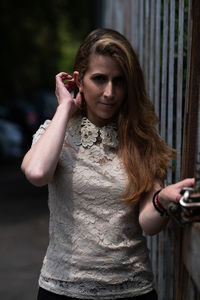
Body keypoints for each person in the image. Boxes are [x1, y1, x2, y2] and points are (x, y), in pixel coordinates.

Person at [21, 28, 194, 300]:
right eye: (99, 79)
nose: (110, 92)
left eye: (119, 81)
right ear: (80, 80)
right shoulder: (56, 132)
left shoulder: (141, 140)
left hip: (132, 290)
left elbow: (148, 224)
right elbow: (37, 172)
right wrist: (65, 108)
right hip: (63, 289)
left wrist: (163, 199)